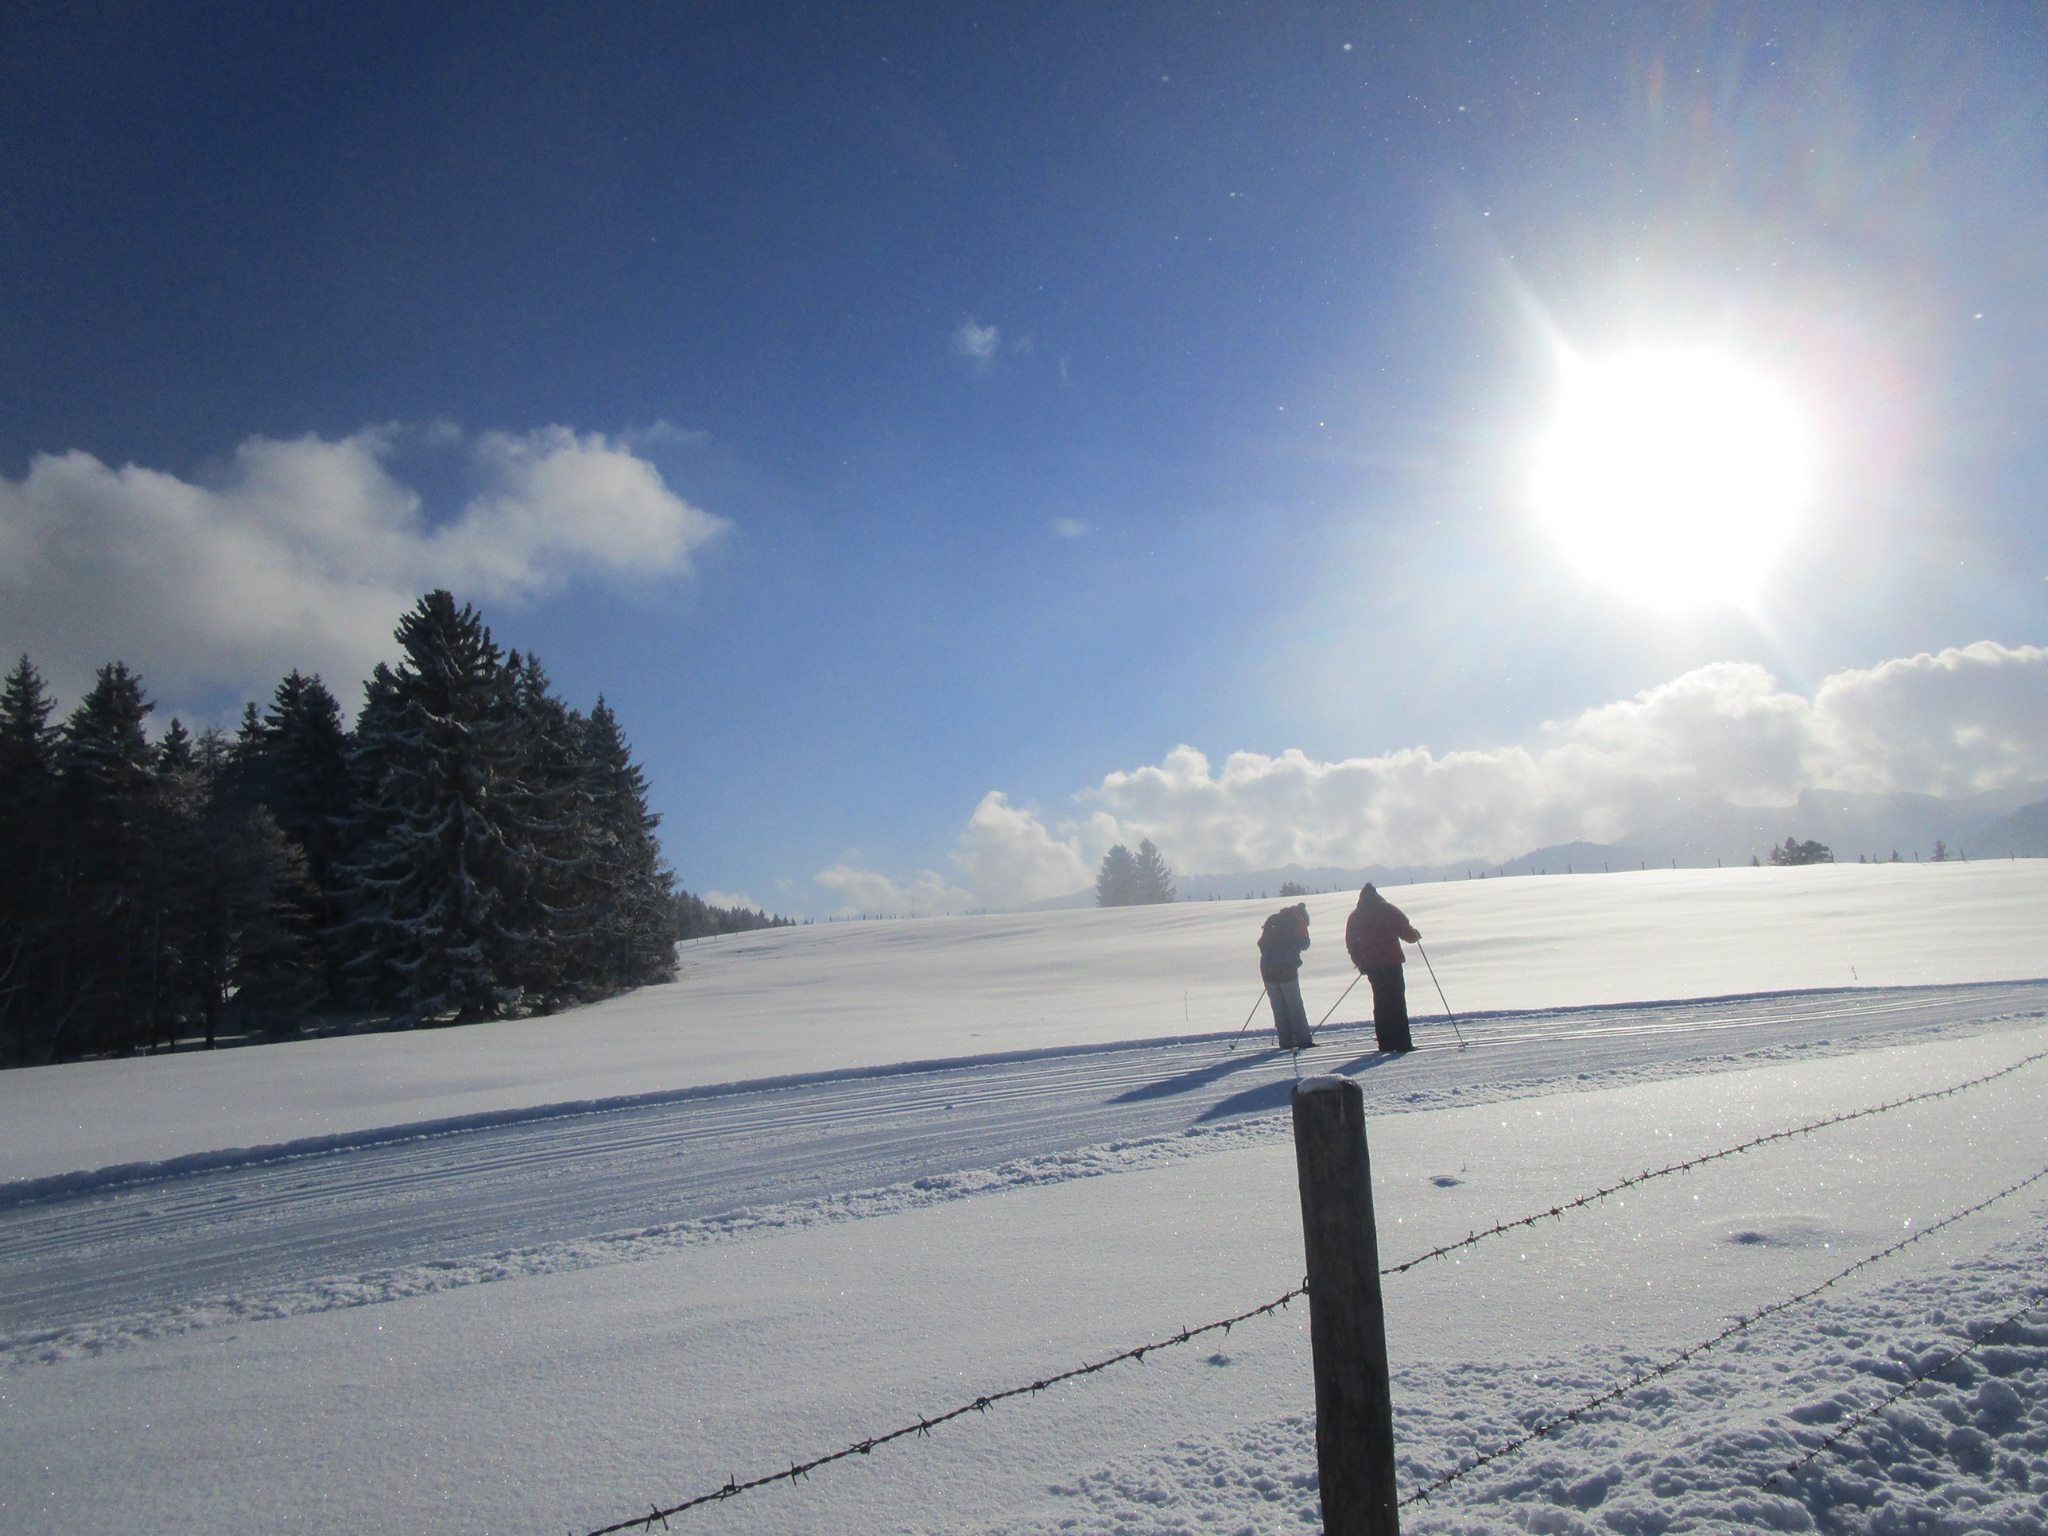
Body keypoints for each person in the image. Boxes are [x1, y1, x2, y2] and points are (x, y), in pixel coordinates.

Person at [1345, 883, 1421, 1051]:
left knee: (1380, 1002)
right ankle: (1402, 1042)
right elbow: (1406, 931)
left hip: (1372, 965)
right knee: (1397, 1002)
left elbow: (1351, 943)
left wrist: (1360, 964)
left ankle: (1385, 1042)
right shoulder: (1388, 910)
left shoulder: (1355, 916)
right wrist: (1415, 935)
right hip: (1391, 962)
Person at [1257, 902, 1316, 1050]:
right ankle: (1304, 1041)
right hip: (1286, 968)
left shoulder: (1273, 920)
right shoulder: (1298, 920)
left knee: (1279, 1007)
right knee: (1294, 1005)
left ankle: (1286, 1041)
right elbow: (1304, 944)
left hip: (1267, 969)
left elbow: (1261, 944)